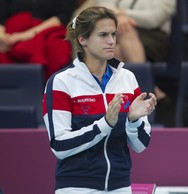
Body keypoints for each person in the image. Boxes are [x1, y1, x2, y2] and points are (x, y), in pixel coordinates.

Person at [42, 6, 157, 194]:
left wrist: (133, 121)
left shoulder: (127, 78)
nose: (111, 41)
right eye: (103, 35)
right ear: (83, 40)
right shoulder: (61, 82)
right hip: (76, 187)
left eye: (113, 34)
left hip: (120, 186)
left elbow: (140, 146)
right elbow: (59, 145)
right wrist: (104, 124)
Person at [0, 0, 77, 80]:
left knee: (57, 48)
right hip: (10, 32)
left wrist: (29, 34)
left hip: (45, 30)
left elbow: (62, 17)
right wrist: (2, 36)